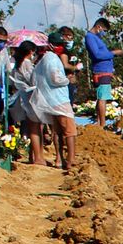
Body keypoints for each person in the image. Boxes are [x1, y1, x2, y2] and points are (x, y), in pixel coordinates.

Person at [34, 32, 76, 173]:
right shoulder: (52, 59)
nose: (60, 47)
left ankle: (59, 159)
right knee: (70, 131)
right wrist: (66, 79)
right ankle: (70, 160)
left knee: (57, 131)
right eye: (58, 45)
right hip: (60, 99)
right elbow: (55, 78)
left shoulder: (43, 60)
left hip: (50, 100)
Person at [85, 17, 116, 127]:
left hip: (105, 71)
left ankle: (99, 122)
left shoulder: (95, 38)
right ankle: (102, 124)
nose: (104, 33)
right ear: (99, 27)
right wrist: (113, 53)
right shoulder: (90, 37)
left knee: (101, 97)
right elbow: (97, 54)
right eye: (104, 30)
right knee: (102, 97)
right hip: (101, 71)